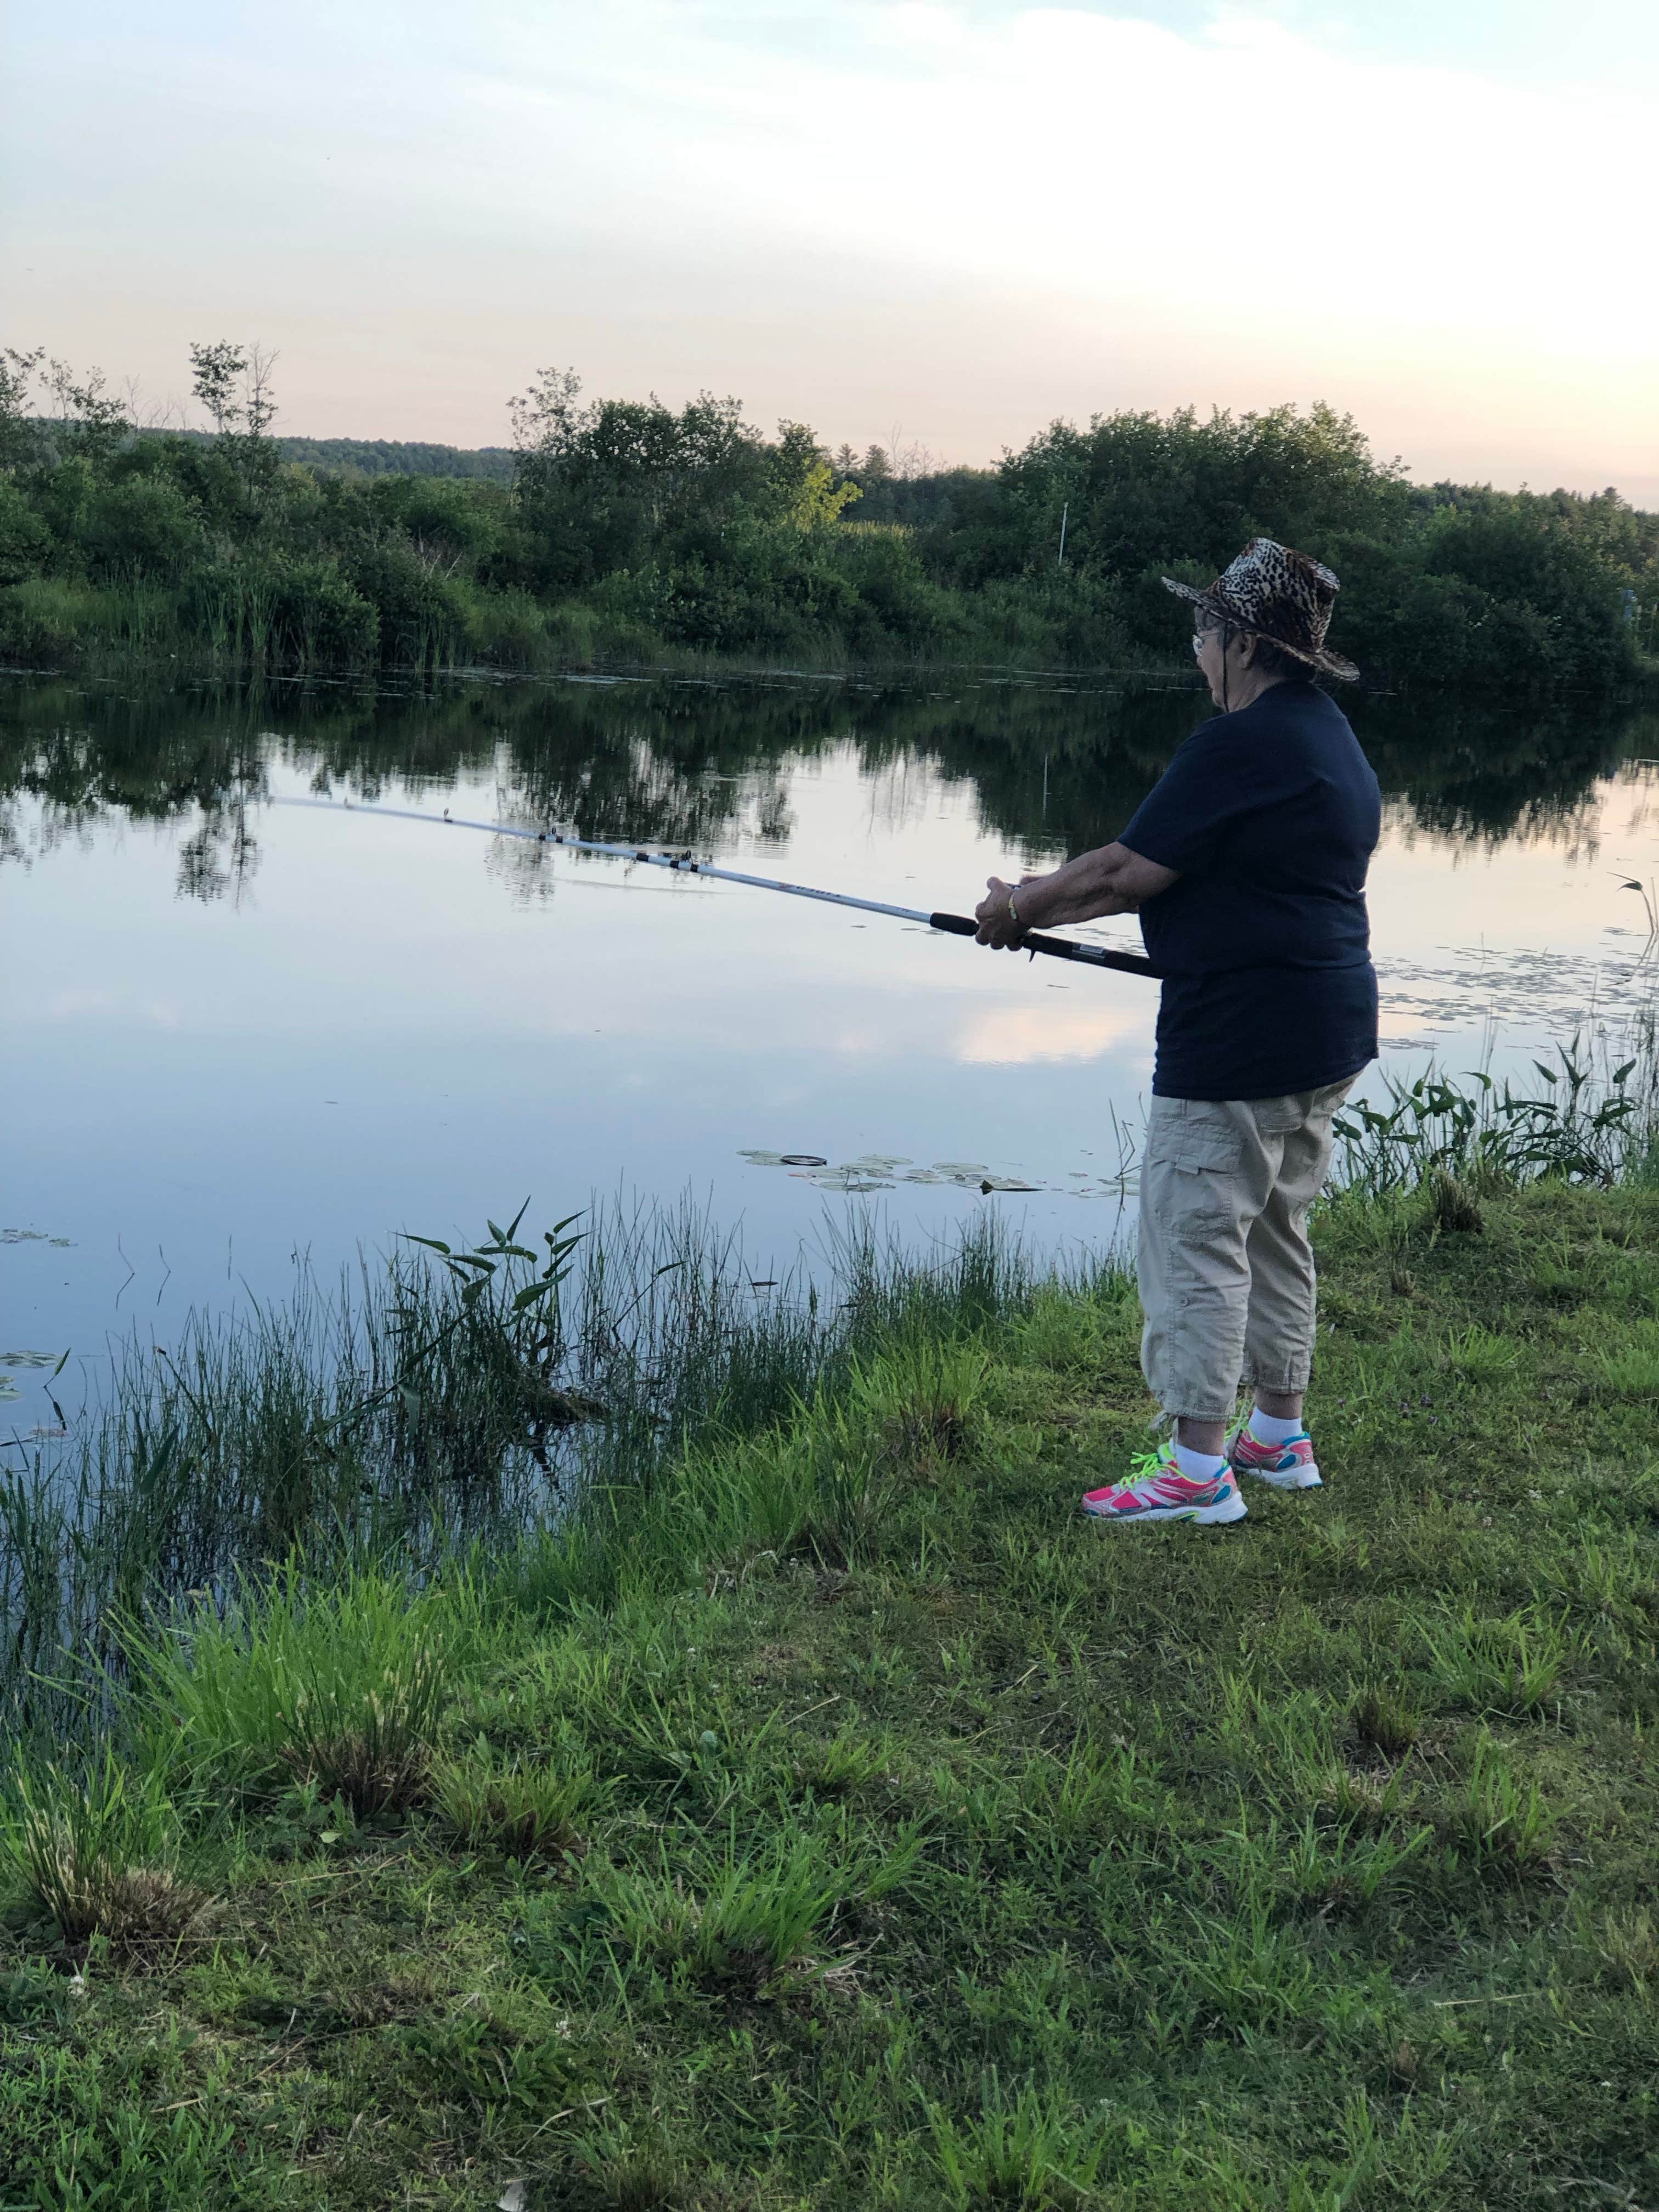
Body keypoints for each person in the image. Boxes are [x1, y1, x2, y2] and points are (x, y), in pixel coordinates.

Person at [974, 538, 1380, 1526]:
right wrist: (1037, 909)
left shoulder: (1239, 745)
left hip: (1238, 1041)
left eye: (1203, 632)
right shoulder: (1328, 734)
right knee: (1278, 1227)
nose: (1197, 651)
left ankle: (1197, 1470)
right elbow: (1197, 873)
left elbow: (1124, 873)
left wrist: (1017, 906)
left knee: (1198, 1237)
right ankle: (1279, 1437)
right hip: (1325, 1027)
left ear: (1240, 641)